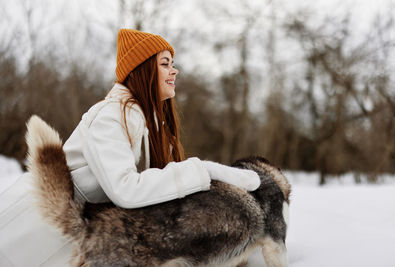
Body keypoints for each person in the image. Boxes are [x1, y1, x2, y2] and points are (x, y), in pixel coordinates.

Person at [0, 29, 260, 267]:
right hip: (27, 231)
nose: (175, 70)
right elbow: (126, 190)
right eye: (165, 63)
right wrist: (203, 170)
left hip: (74, 239)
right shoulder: (109, 116)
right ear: (143, 70)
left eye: (173, 63)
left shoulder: (145, 124)